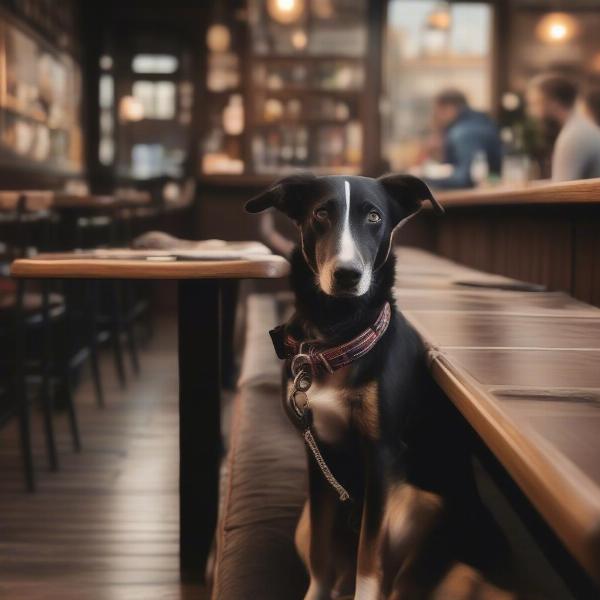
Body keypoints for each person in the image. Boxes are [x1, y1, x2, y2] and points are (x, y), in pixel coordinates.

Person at [527, 73, 600, 181]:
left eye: (536, 103)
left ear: (554, 102)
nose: (532, 112)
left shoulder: (574, 136)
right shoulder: (580, 127)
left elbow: (560, 192)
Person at [424, 89, 502, 189]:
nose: (435, 117)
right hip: (492, 191)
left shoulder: (462, 132)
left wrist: (425, 179)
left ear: (449, 108)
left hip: (476, 199)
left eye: (437, 111)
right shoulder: (483, 122)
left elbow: (466, 177)